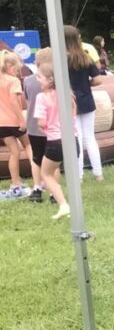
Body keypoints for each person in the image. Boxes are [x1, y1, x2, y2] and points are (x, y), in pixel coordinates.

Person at [33, 62, 77, 220]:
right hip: (72, 138)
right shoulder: (68, 95)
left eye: (40, 77)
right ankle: (74, 203)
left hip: (55, 141)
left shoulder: (42, 97)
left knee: (46, 173)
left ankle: (63, 204)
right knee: (71, 172)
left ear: (49, 79)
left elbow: (42, 122)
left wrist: (43, 128)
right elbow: (73, 116)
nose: (37, 79)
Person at [64, 25, 104, 181]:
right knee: (90, 137)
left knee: (77, 138)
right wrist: (87, 85)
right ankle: (98, 173)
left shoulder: (61, 59)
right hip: (86, 99)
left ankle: (78, 176)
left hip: (69, 100)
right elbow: (98, 80)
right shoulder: (85, 57)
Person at [0, 50, 32, 199]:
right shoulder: (13, 81)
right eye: (17, 70)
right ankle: (40, 178)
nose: (18, 73)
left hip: (1, 123)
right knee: (28, 146)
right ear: (8, 66)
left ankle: (15, 183)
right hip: (14, 120)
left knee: (14, 152)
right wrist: (21, 119)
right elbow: (14, 101)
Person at [23, 48, 52, 203]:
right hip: (53, 127)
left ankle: (37, 188)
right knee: (52, 161)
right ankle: (53, 192)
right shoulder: (57, 80)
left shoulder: (28, 81)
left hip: (34, 126)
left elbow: (27, 101)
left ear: (36, 62)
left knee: (36, 159)